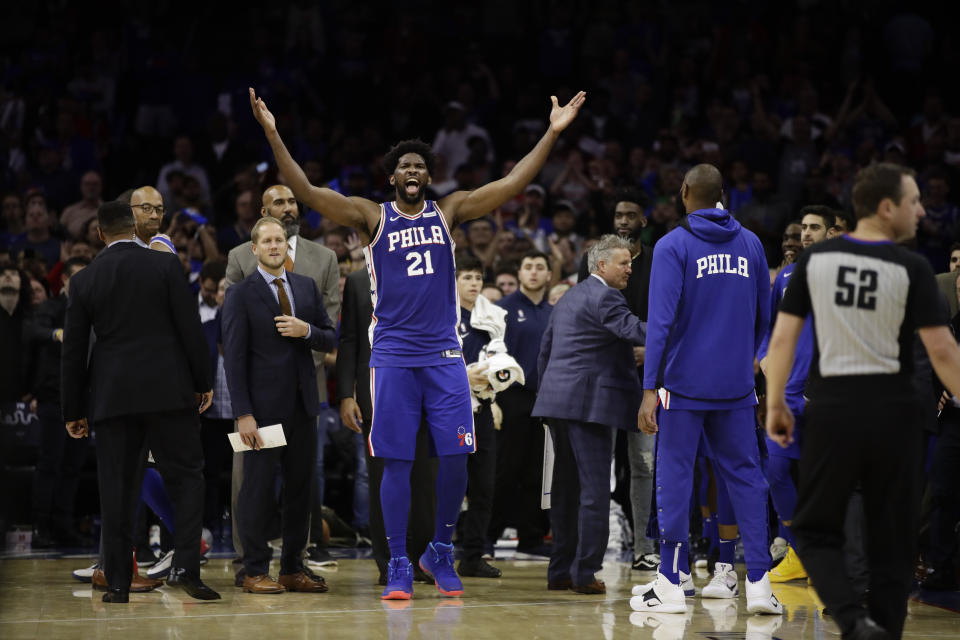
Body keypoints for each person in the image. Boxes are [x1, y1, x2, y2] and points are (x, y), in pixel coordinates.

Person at [249, 85, 585, 600]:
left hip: (445, 355)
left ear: (428, 176)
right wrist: (273, 134)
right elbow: (311, 192)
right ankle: (401, 561)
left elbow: (514, 181)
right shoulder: (372, 215)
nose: (412, 172)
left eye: (419, 166)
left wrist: (552, 132)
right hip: (392, 357)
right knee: (398, 463)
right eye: (403, 166)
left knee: (455, 459)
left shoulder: (448, 211)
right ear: (392, 177)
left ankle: (441, 550)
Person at [765, 162, 960, 640]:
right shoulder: (913, 267)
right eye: (914, 201)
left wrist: (774, 405)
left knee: (812, 529)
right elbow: (942, 351)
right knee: (893, 541)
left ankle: (852, 620)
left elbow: (782, 342)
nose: (921, 210)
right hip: (897, 414)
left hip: (834, 410)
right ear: (887, 207)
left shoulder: (816, 261)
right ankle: (884, 632)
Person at [634, 164, 781, 616]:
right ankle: (758, 584)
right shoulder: (752, 243)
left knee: (675, 475)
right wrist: (750, 364)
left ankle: (672, 585)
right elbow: (764, 318)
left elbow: (659, 325)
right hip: (736, 385)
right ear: (723, 195)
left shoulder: (672, 244)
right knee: (746, 477)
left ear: (683, 193)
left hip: (683, 385)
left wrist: (648, 388)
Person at [60, 201, 218, 603]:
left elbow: (74, 353)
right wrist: (203, 382)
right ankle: (187, 571)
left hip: (114, 399)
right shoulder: (165, 266)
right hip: (169, 393)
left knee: (116, 489)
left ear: (100, 234)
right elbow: (190, 330)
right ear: (134, 228)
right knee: (186, 480)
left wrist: (73, 410)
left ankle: (117, 584)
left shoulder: (85, 280)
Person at [224, 182, 339, 575]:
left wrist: (305, 331)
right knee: (255, 490)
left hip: (304, 406)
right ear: (254, 249)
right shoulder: (240, 293)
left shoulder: (305, 287)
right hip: (261, 410)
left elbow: (329, 335)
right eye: (267, 241)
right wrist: (243, 413)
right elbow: (233, 359)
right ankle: (253, 568)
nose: (275, 246)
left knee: (300, 489)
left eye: (279, 241)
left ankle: (293, 566)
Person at [534, 235, 646, 594]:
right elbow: (635, 331)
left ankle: (560, 572)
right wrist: (682, 329)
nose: (630, 268)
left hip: (556, 403)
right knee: (595, 490)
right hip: (590, 407)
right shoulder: (607, 296)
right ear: (601, 266)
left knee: (565, 490)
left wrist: (547, 395)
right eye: (624, 263)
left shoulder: (568, 296)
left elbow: (545, 350)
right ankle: (585, 573)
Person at [337, 266, 438, 586]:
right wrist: (345, 395)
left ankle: (422, 559)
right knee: (383, 476)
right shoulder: (357, 280)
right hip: (377, 393)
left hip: (427, 388)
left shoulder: (431, 268)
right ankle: (390, 561)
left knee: (425, 479)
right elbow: (350, 340)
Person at [577, 188, 657, 572]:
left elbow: (670, 316)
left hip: (648, 380)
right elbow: (588, 315)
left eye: (631, 215)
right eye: (618, 215)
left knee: (644, 464)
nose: (623, 220)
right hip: (607, 376)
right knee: (600, 465)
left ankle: (645, 546)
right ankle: (593, 549)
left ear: (644, 221)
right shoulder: (593, 262)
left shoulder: (660, 261)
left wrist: (651, 353)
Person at [757, 204, 833, 584]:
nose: (805, 233)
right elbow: (767, 328)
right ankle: (800, 551)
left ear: (831, 233)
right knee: (777, 471)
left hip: (824, 397)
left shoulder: (841, 279)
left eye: (814, 227)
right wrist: (762, 357)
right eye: (803, 227)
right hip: (785, 394)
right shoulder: (785, 275)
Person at [491, 250, 554, 560]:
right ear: (518, 273)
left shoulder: (553, 312)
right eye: (528, 266)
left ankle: (531, 537)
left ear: (549, 276)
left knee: (536, 472)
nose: (533, 272)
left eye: (539, 267)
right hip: (510, 396)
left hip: (544, 399)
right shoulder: (502, 309)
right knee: (505, 469)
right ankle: (485, 537)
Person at [26, 256, 90, 548]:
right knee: (50, 463)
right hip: (53, 398)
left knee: (73, 466)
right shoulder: (51, 308)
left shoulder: (94, 311)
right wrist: (57, 333)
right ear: (63, 279)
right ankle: (41, 527)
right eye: (75, 276)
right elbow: (33, 332)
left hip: (83, 398)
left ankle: (64, 525)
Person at [454, 254, 507, 578]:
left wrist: (496, 393)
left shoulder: (494, 318)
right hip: (451, 408)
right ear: (455, 281)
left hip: (485, 406)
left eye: (478, 278)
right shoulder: (443, 314)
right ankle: (436, 551)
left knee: (484, 485)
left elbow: (503, 362)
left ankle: (473, 554)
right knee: (449, 482)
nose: (474, 284)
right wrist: (464, 375)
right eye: (467, 277)